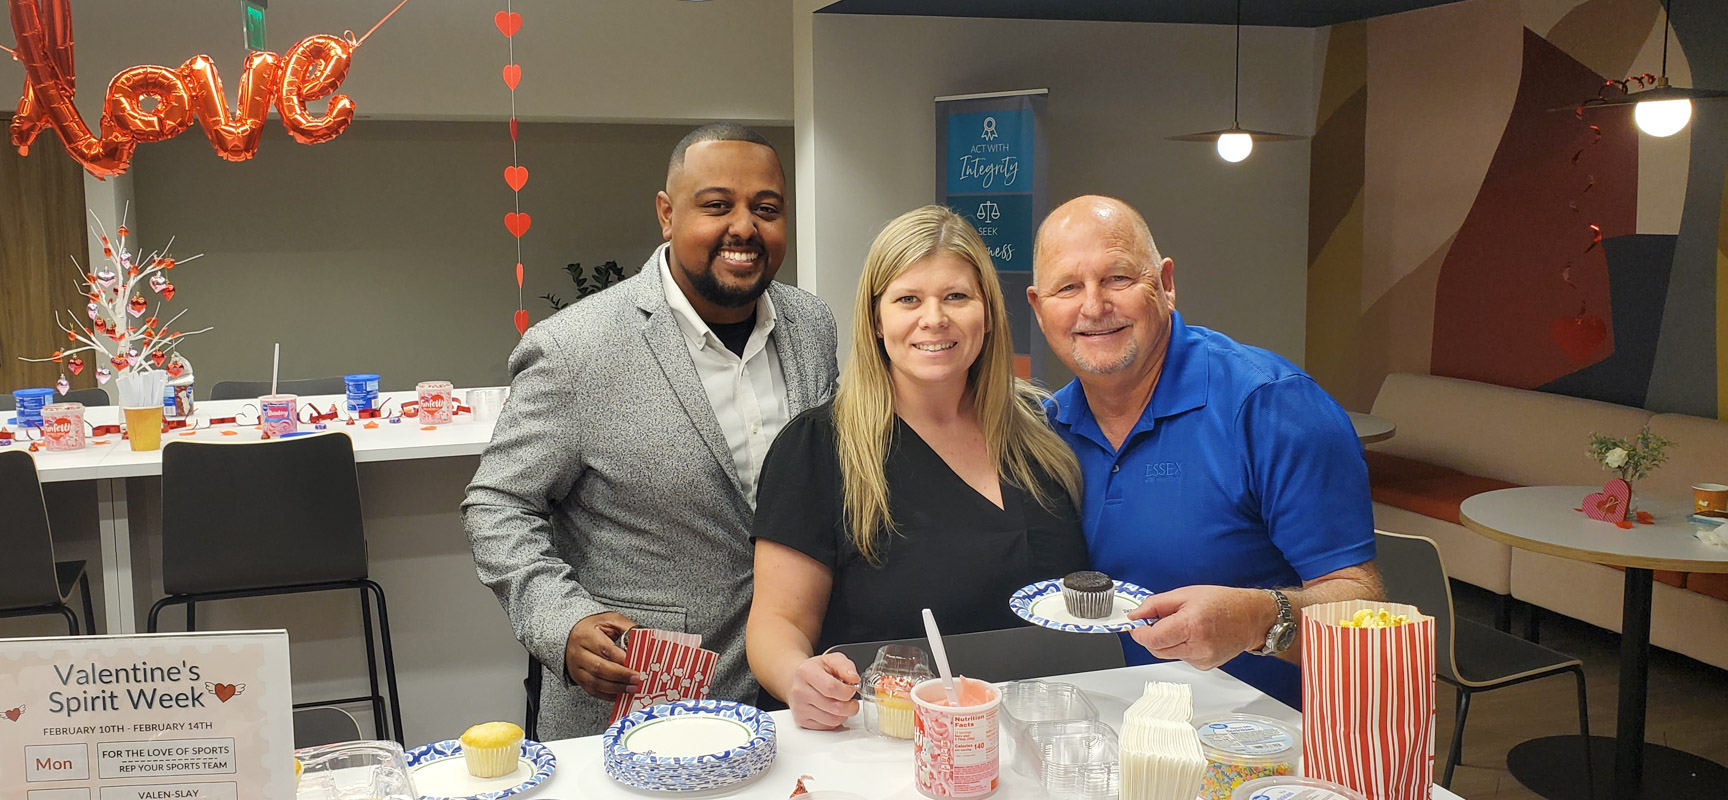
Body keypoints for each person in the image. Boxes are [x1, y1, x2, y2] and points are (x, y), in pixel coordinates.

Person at [463, 123, 839, 738]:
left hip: (793, 700)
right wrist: (561, 622)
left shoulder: (811, 326)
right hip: (637, 706)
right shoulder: (573, 349)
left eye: (766, 209)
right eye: (716, 205)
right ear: (667, 214)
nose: (744, 227)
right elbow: (498, 504)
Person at [1026, 195, 1379, 708]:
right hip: (1095, 741)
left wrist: (1258, 619)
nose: (1094, 306)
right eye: (1068, 287)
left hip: (1261, 753)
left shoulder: (1270, 405)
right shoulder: (1046, 432)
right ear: (1039, 308)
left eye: (1119, 278)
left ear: (1166, 284)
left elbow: (1365, 610)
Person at [748, 205, 1090, 731]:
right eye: (909, 299)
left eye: (956, 296)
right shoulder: (819, 447)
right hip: (893, 744)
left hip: (1046, 737)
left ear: (989, 313)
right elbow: (777, 624)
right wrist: (799, 675)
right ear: (876, 320)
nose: (935, 318)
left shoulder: (1042, 432)